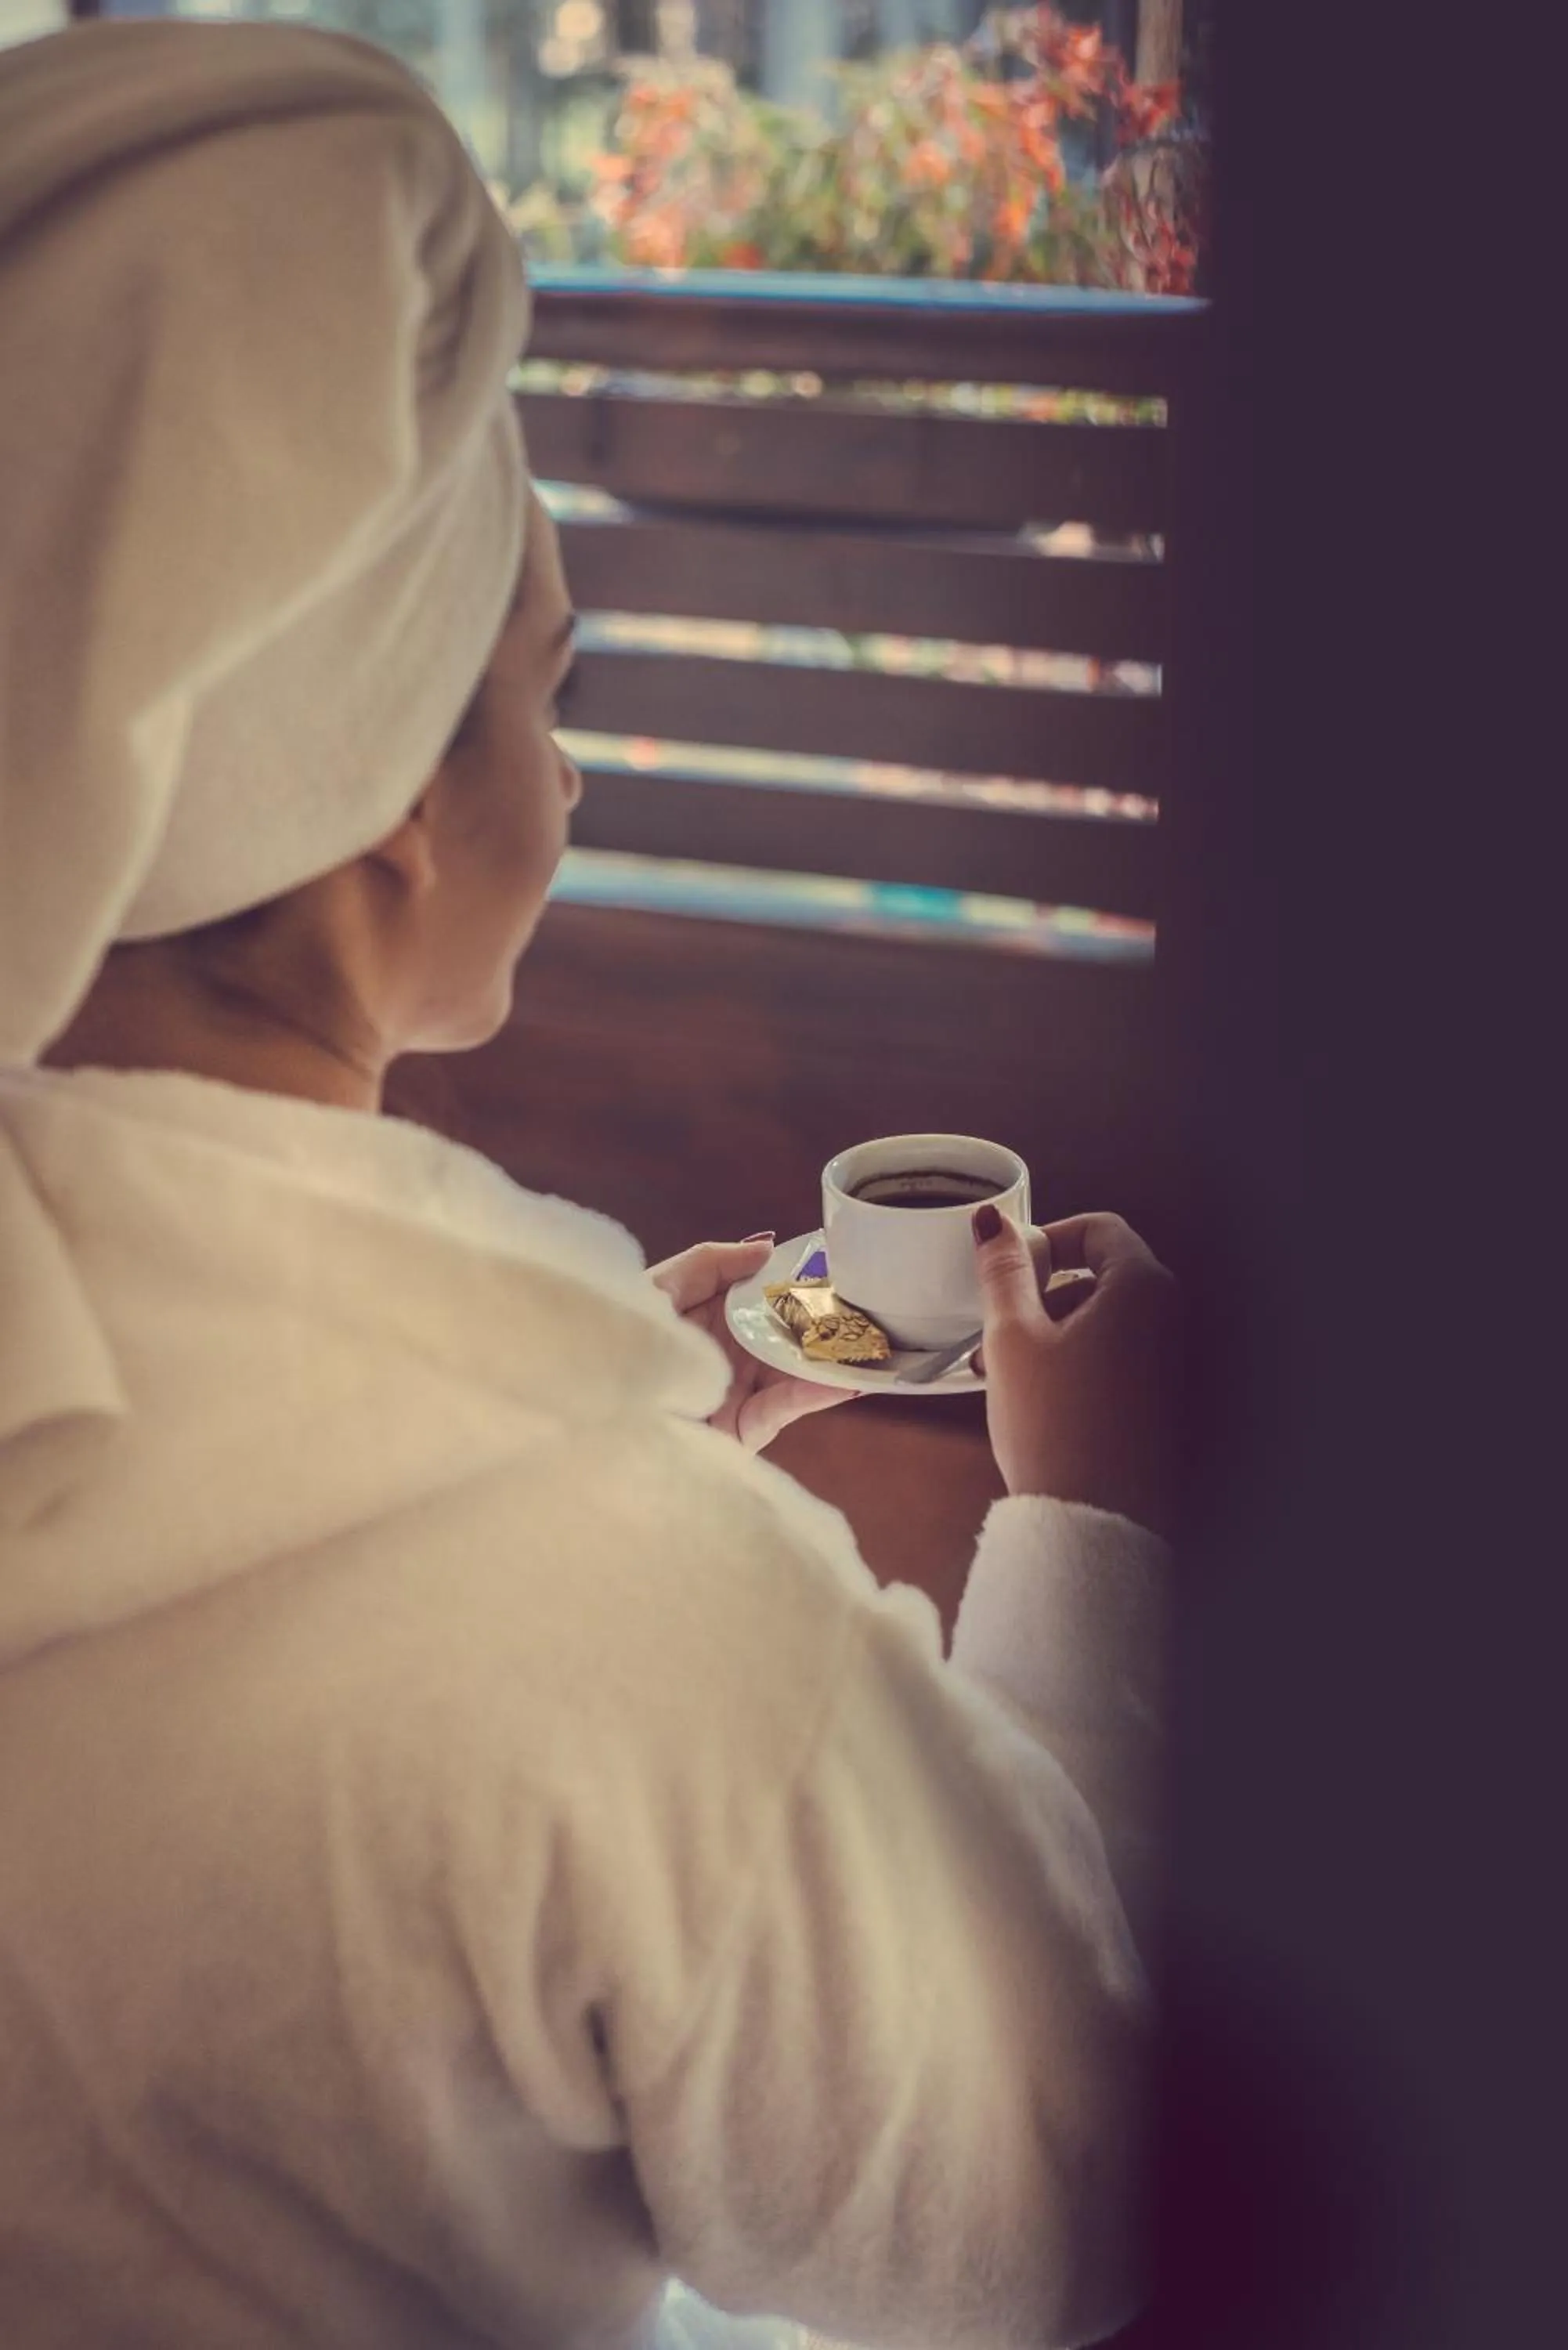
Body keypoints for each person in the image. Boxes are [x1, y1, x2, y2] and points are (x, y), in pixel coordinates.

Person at [0, 18, 1176, 2350]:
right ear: (386, 828)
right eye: (552, 687)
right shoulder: (649, 1623)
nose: (575, 773)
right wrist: (1094, 1539)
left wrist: (595, 1426)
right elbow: (1076, 2200)